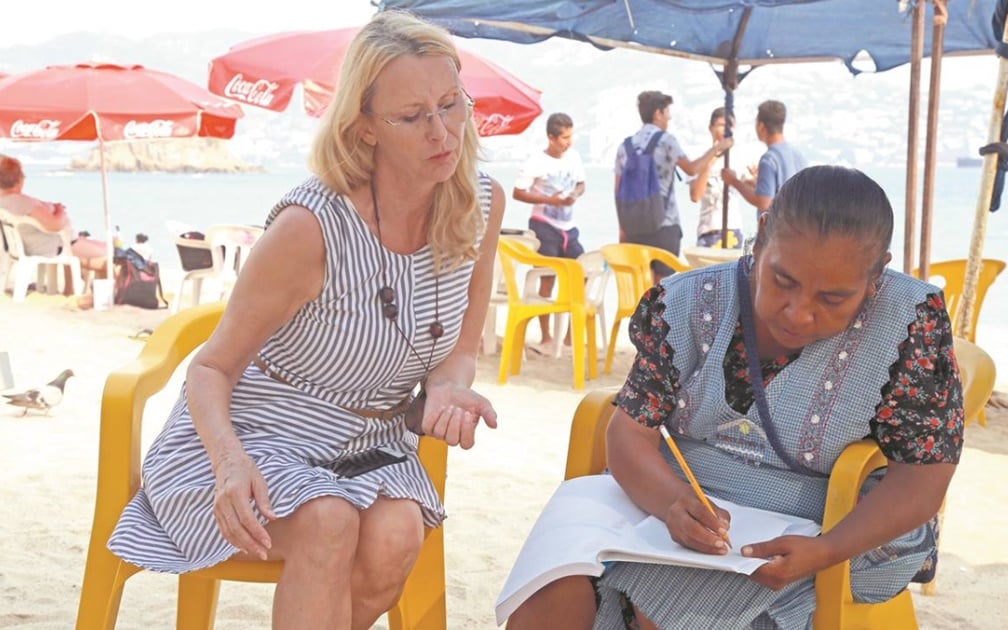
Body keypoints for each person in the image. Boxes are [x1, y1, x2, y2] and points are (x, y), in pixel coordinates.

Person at [107, 11, 505, 629]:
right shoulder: (311, 226)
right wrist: (230, 463)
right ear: (364, 127)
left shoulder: (479, 202)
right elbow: (210, 366)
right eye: (411, 116)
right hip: (250, 437)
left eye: (452, 104)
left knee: (398, 535)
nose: (442, 133)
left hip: (369, 442)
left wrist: (451, 387)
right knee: (327, 522)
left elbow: (460, 344)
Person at [507, 165, 962, 629]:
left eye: (832, 299)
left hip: (832, 517)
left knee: (666, 610)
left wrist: (826, 549)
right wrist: (669, 501)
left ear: (876, 274)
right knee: (548, 596)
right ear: (762, 236)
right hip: (679, 496)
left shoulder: (910, 324)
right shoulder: (687, 301)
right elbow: (629, 430)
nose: (799, 313)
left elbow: (923, 478)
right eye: (783, 280)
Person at [615, 91, 732, 283]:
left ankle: (642, 314)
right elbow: (692, 169)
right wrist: (718, 148)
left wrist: (623, 228)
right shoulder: (666, 140)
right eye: (667, 112)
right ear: (657, 114)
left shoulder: (625, 146)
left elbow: (618, 191)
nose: (669, 117)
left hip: (633, 229)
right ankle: (659, 315)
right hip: (664, 226)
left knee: (641, 289)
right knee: (663, 291)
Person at [512, 112, 586, 356]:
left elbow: (580, 184)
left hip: (569, 226)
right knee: (547, 279)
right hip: (544, 223)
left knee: (582, 273)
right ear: (551, 138)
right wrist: (549, 200)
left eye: (570, 136)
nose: (569, 142)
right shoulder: (537, 162)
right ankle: (546, 337)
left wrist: (574, 195)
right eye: (564, 138)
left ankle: (568, 338)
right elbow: (518, 192)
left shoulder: (574, 157)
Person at [0, 154, 109, 276]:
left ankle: (73, 290)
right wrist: (60, 210)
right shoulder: (24, 202)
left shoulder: (5, 201)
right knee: (109, 251)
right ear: (19, 180)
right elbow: (55, 225)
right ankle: (116, 286)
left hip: (34, 246)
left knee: (101, 248)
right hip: (55, 247)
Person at [722, 100, 806, 217]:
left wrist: (734, 181)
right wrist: (757, 185)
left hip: (777, 229)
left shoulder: (769, 159)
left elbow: (764, 202)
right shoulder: (798, 155)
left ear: (761, 126)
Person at [690, 107, 743, 249]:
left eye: (729, 126)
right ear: (711, 128)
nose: (725, 130)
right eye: (720, 125)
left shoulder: (739, 157)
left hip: (733, 229)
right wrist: (714, 154)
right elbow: (695, 195)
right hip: (709, 231)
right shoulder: (701, 158)